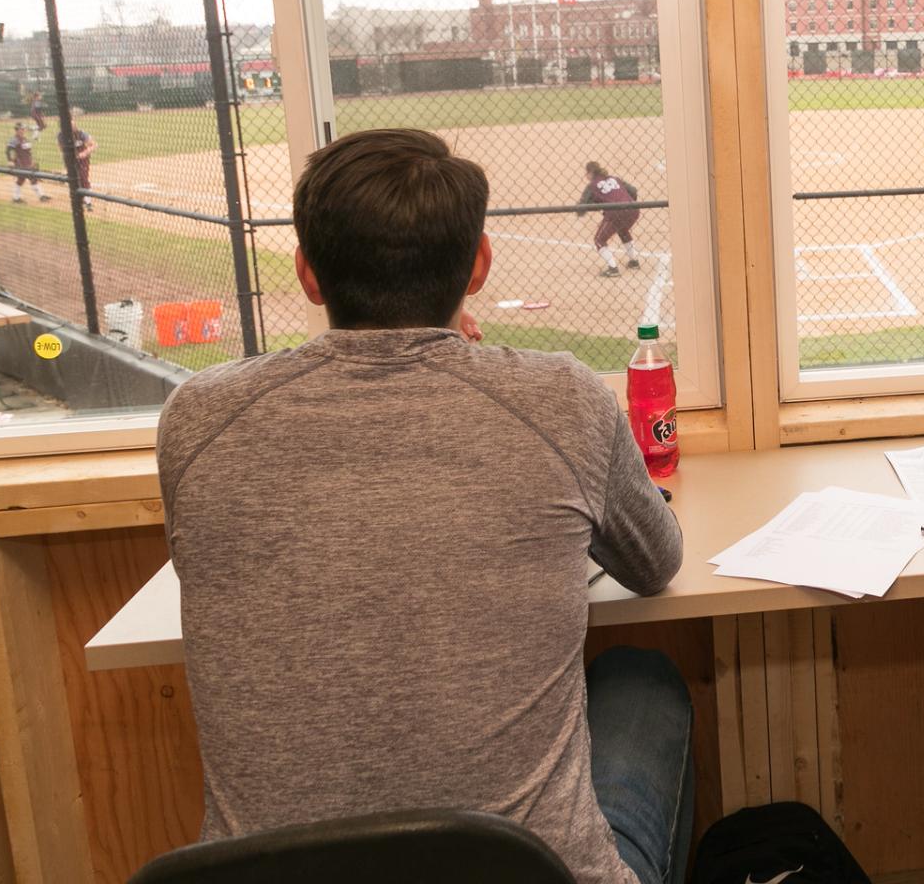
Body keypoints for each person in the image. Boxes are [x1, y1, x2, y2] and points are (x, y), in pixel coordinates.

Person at [157, 129, 691, 884]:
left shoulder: (195, 418)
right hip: (532, 875)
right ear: (478, 265)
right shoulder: (562, 397)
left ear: (309, 274)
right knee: (641, 678)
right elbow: (656, 562)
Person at [578, 160, 641, 278]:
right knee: (622, 230)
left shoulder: (592, 186)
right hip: (634, 209)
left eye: (586, 173)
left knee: (599, 240)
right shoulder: (615, 179)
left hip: (615, 213)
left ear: (590, 173)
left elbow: (582, 208)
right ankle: (634, 261)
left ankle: (613, 269)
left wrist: (594, 205)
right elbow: (634, 191)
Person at [6, 122, 48, 203]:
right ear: (17, 130)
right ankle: (41, 196)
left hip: (28, 163)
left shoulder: (24, 139)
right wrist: (10, 161)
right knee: (33, 178)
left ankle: (16, 198)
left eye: (24, 129)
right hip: (21, 164)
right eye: (22, 129)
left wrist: (32, 162)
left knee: (21, 180)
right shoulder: (15, 140)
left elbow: (28, 152)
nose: (23, 130)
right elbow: (8, 150)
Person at [71, 125, 97, 207]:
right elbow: (61, 148)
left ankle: (88, 202)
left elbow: (94, 145)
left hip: (83, 160)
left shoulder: (81, 134)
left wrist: (85, 153)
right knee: (74, 179)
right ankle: (80, 197)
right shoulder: (62, 136)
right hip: (71, 161)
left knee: (83, 177)